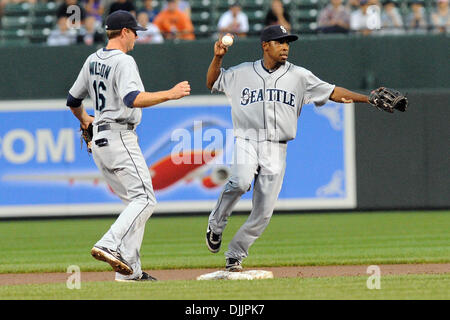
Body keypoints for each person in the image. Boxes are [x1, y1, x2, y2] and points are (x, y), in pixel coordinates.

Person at [205, 25, 379, 271]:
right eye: (279, 41)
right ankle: (216, 223)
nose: (285, 46)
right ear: (265, 45)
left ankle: (235, 253)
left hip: (277, 147)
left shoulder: (299, 76)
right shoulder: (242, 72)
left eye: (287, 42)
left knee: (263, 213)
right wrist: (218, 57)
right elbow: (212, 82)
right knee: (240, 182)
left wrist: (367, 98)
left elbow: (333, 92)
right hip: (247, 139)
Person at [66, 10, 191, 282]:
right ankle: (109, 244)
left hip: (100, 141)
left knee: (134, 202)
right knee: (146, 199)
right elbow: (132, 98)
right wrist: (170, 94)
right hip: (120, 135)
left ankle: (129, 272)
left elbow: (73, 100)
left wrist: (86, 120)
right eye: (134, 31)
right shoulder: (124, 61)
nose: (136, 36)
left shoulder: (92, 60)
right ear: (123, 32)